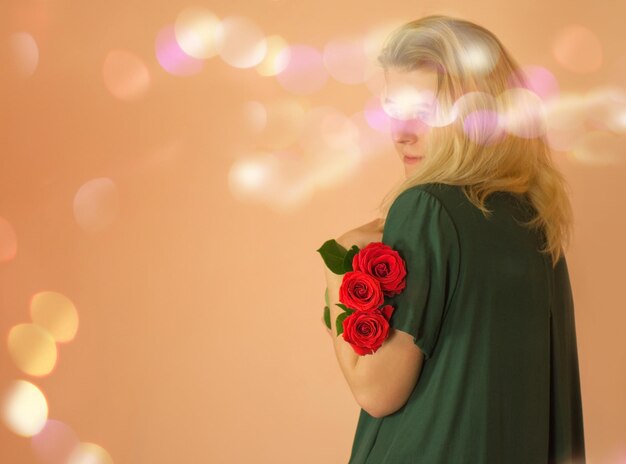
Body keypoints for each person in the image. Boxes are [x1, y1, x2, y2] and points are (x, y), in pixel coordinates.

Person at [321, 14, 586, 463]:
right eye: (393, 110)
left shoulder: (427, 208)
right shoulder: (535, 215)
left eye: (424, 113)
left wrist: (341, 266)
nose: (400, 133)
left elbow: (377, 391)